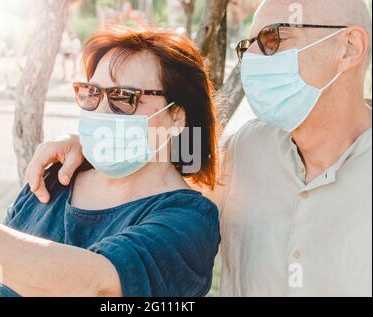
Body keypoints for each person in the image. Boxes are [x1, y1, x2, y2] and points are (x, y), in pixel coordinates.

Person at [25, 0, 372, 296]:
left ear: (349, 47)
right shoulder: (246, 148)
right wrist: (88, 144)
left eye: (271, 38)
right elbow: (174, 156)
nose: (250, 57)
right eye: (248, 44)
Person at [0, 28, 221, 297]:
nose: (101, 112)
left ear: (177, 117)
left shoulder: (189, 220)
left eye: (124, 97)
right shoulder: (54, 178)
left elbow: (96, 287)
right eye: (92, 93)